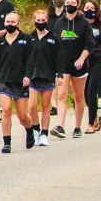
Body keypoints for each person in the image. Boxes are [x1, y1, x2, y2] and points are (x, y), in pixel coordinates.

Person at [71, 1, 101, 132]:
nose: (89, 10)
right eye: (87, 7)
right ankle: (96, 118)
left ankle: (90, 124)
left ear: (96, 10)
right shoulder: (80, 25)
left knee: (92, 90)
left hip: (99, 60)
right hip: (84, 61)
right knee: (85, 93)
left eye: (92, 8)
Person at [0, 10, 35, 151]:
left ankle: (29, 129)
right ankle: (7, 142)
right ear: (4, 24)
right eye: (8, 22)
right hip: (4, 80)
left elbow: (30, 60)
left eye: (13, 22)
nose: (10, 24)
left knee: (22, 115)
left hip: (20, 81)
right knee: (7, 110)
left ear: (18, 24)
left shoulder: (26, 39)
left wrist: (28, 75)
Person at [50, 0, 90, 138]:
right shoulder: (59, 23)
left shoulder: (84, 23)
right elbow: (55, 43)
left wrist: (81, 58)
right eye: (67, 2)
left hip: (79, 65)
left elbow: (89, 44)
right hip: (63, 64)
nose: (69, 5)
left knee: (78, 96)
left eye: (73, 2)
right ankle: (60, 126)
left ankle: (77, 126)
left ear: (78, 5)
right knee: (61, 94)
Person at [25, 9, 58, 146]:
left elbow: (58, 57)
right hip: (32, 76)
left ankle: (44, 133)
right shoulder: (29, 38)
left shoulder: (53, 38)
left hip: (47, 75)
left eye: (42, 20)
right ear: (34, 21)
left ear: (46, 21)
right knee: (32, 106)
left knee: (45, 106)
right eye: (38, 20)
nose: (40, 22)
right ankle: (36, 128)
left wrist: (59, 74)